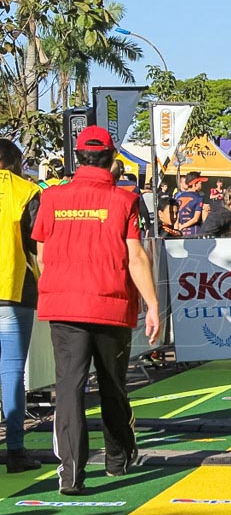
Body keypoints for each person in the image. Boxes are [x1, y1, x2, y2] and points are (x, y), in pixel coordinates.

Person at [31, 126, 160, 494]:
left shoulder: (53, 198)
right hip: (111, 303)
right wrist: (152, 305)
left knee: (69, 388)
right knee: (112, 384)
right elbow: (135, 255)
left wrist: (60, 284)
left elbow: (41, 254)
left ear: (77, 157)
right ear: (111, 158)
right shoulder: (123, 200)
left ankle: (71, 473)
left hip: (65, 304)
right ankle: (117, 458)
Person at [0, 138, 43, 473]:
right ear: (15, 162)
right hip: (15, 288)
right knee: (12, 371)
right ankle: (15, 451)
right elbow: (37, 242)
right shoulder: (27, 191)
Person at [174, 171, 207, 236]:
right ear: (195, 184)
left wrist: (177, 229)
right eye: (200, 183)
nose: (201, 185)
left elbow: (176, 217)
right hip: (194, 232)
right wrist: (183, 226)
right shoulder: (199, 198)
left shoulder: (178, 197)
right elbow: (196, 219)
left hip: (180, 232)